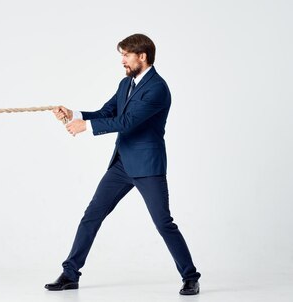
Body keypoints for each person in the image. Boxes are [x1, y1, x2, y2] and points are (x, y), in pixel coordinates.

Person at [46, 34, 201, 295]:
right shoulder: (125, 84)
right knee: (92, 214)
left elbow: (128, 121)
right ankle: (70, 274)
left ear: (143, 56)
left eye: (126, 55)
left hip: (147, 166)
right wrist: (75, 114)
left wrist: (87, 127)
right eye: (122, 55)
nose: (122, 61)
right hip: (121, 165)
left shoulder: (157, 88)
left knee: (163, 223)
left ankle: (190, 276)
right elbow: (109, 112)